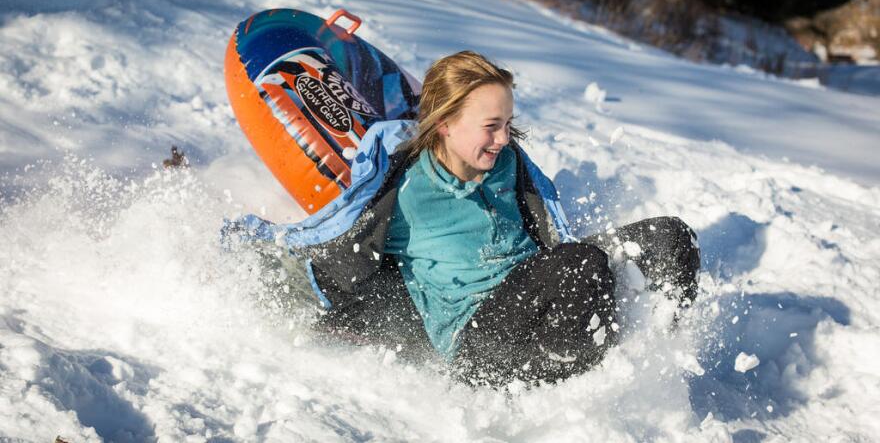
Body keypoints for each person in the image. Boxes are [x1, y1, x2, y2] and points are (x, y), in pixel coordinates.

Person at [229, 51, 700, 386]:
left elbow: (546, 225)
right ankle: (589, 394)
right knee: (579, 266)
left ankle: (652, 364)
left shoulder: (506, 163)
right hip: (481, 340)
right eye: (490, 126)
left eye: (507, 124)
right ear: (444, 123)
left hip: (537, 291)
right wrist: (264, 280)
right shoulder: (404, 189)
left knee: (672, 237)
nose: (502, 139)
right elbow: (334, 246)